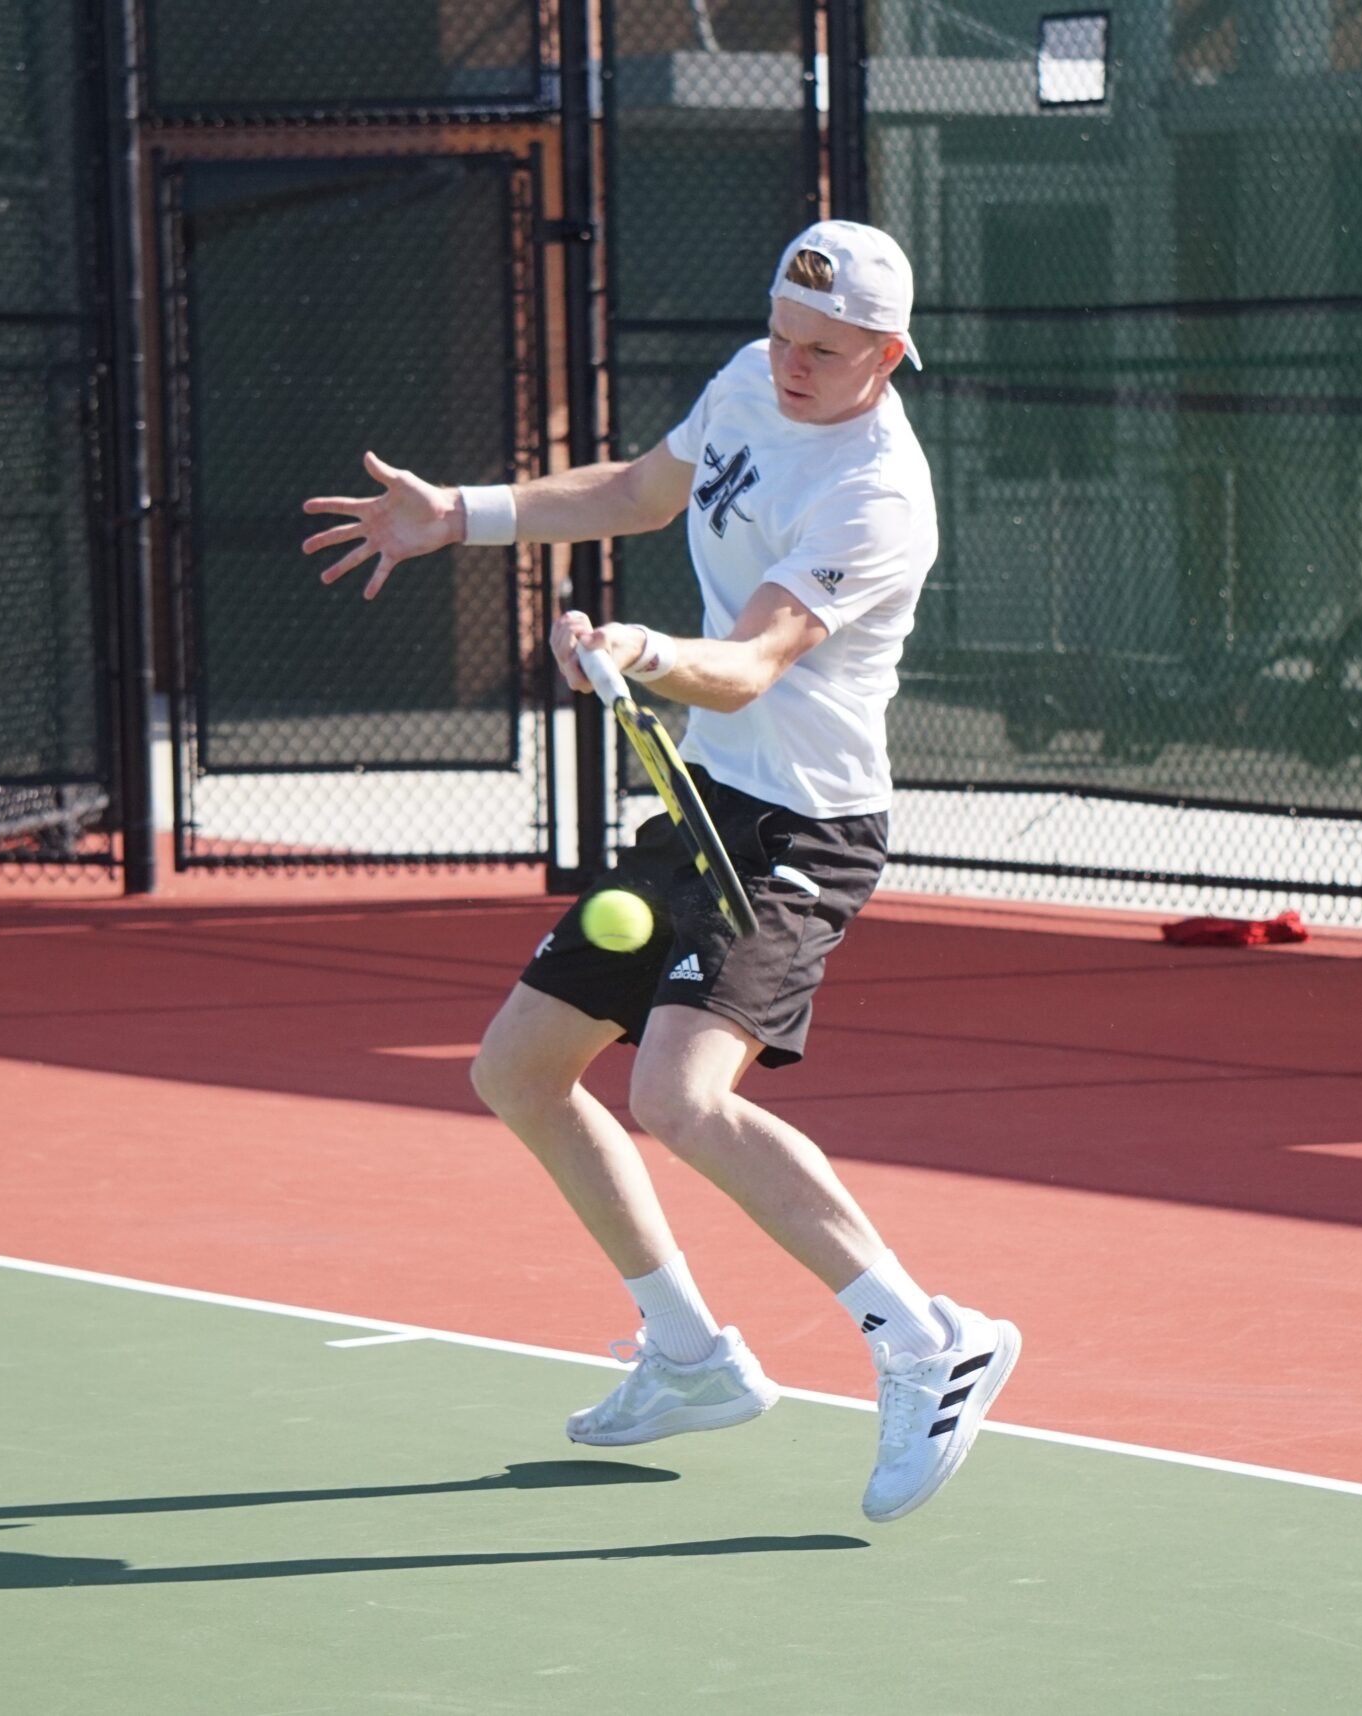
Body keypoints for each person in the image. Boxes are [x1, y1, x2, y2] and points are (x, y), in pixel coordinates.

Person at [298, 221, 1020, 1523]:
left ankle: (927, 1342)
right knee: (518, 1070)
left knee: (678, 1096)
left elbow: (748, 666)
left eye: (827, 351)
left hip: (803, 827)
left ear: (890, 356)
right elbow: (643, 490)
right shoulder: (751, 373)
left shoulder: (876, 494)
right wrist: (458, 516)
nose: (793, 365)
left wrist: (640, 648)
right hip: (708, 798)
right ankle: (686, 1355)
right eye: (786, 335)